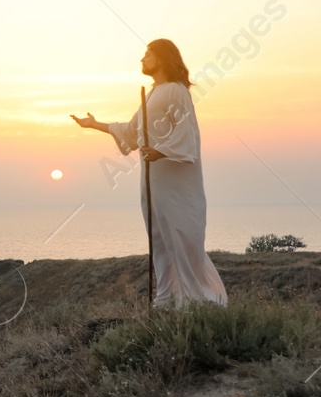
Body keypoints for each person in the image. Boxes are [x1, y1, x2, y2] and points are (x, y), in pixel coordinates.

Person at [71, 39, 228, 308]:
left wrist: (162, 151)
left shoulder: (176, 91)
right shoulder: (154, 93)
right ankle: (166, 299)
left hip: (176, 182)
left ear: (162, 58)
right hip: (153, 182)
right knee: (160, 239)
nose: (142, 60)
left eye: (147, 54)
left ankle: (200, 301)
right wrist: (94, 124)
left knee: (182, 236)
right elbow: (132, 133)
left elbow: (186, 132)